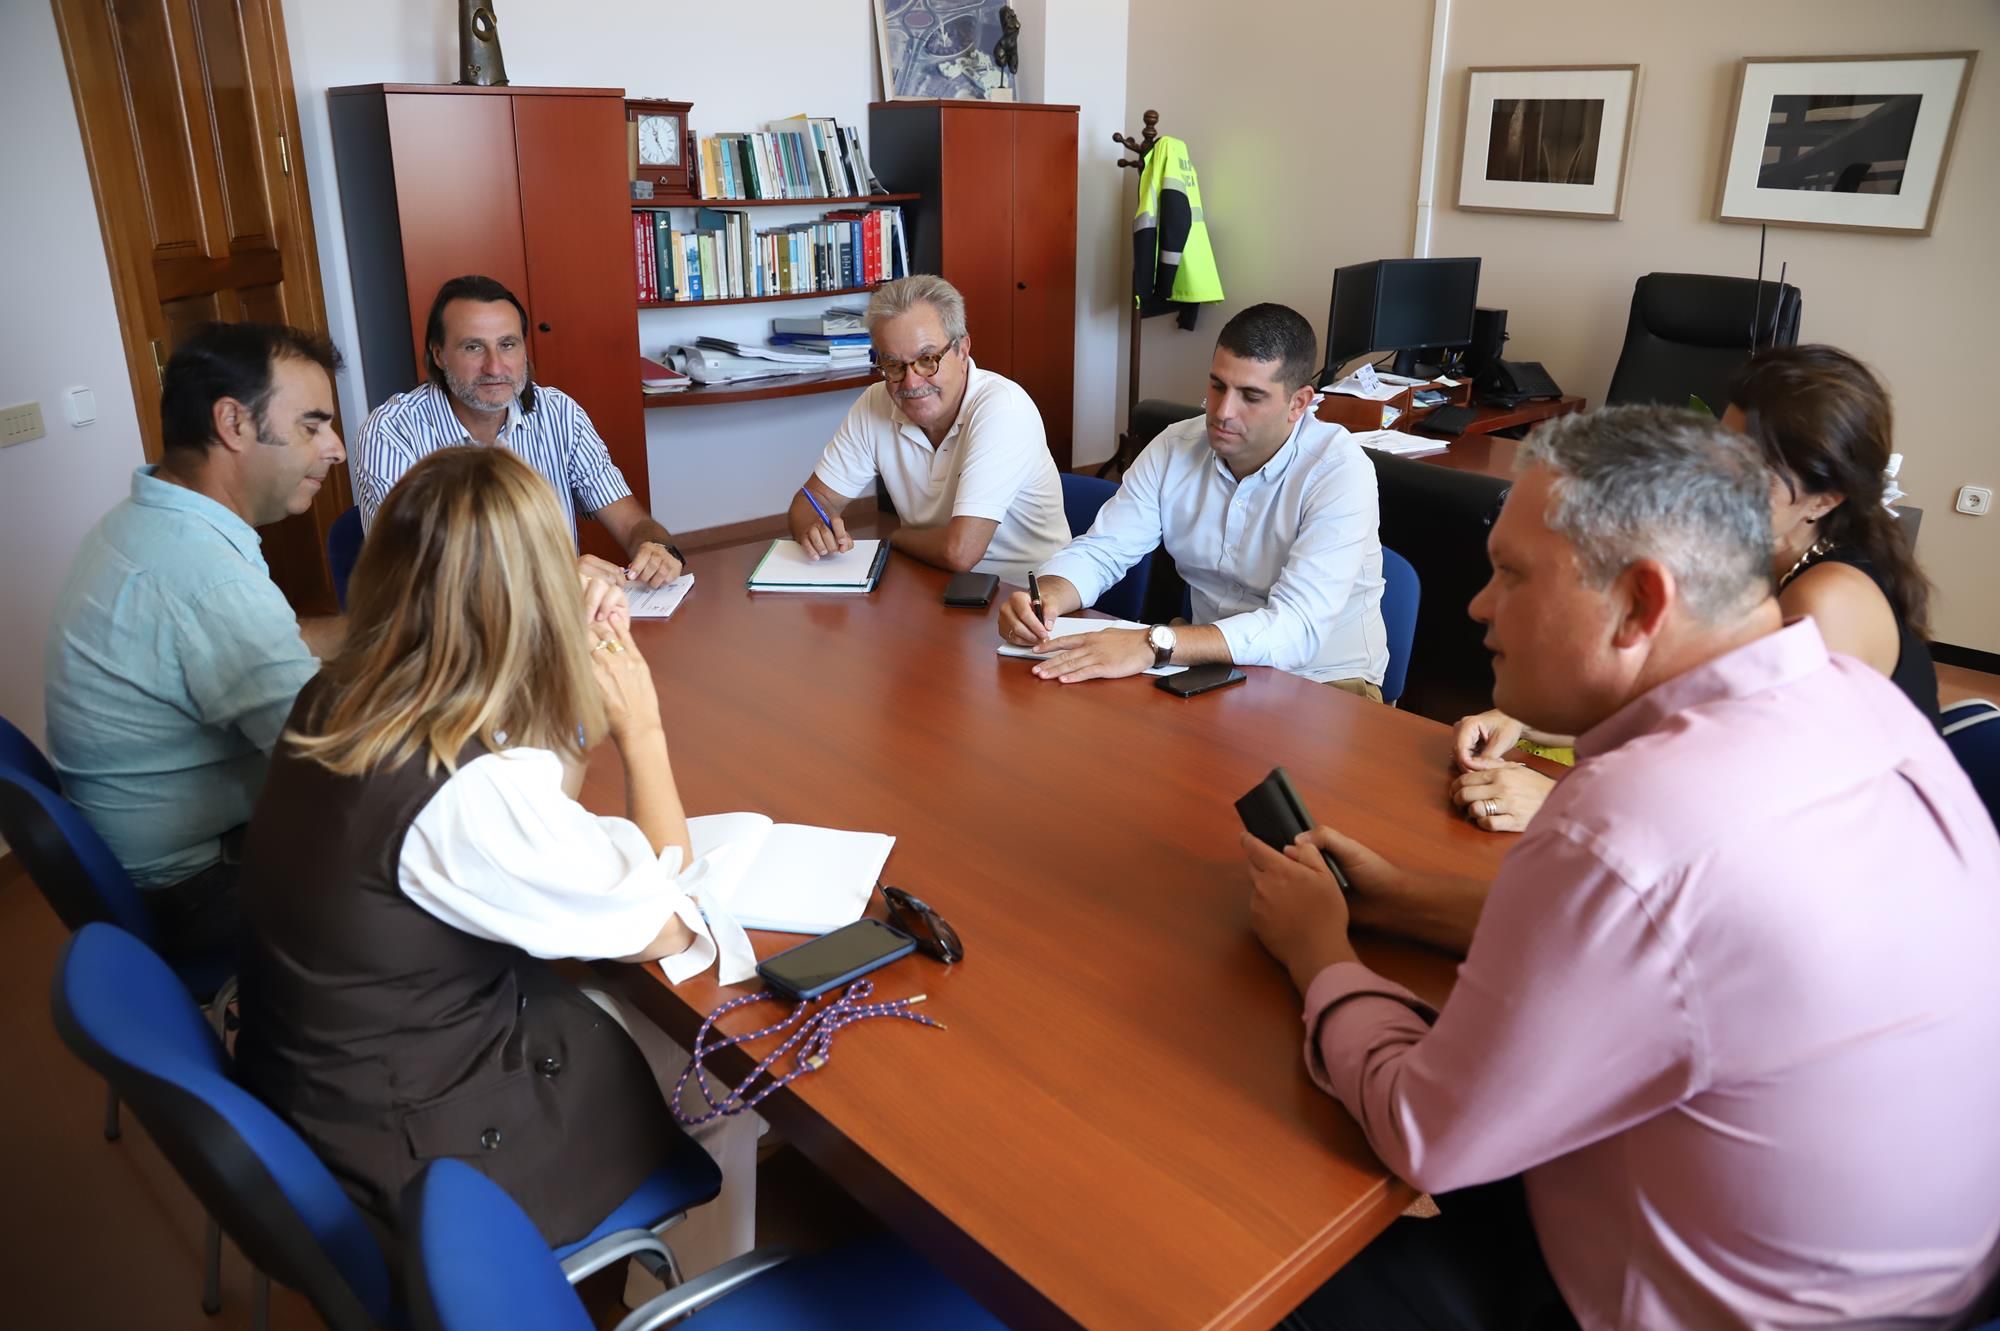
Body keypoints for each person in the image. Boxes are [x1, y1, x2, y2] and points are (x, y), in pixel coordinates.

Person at [1244, 407, 2000, 1330]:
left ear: (1642, 603)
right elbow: (1675, 944)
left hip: (1732, 1309)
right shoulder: (1857, 702)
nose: (1478, 606)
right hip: (1928, 1286)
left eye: (1511, 575)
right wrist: (1394, 900)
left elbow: (1429, 1136)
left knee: (1236, 1236)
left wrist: (1320, 954)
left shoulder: (1632, 820)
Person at [232, 445, 757, 1263]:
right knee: (725, 1060)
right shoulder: (463, 796)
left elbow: (541, 793)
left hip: (320, 1079)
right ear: (531, 595)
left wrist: (567, 689)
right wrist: (642, 730)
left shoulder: (344, 688)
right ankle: (690, 1285)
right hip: (416, 1151)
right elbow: (665, 917)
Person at [1452, 344, 1939, 831]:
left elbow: (1759, 800)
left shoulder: (1827, 600)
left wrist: (1558, 798)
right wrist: (1528, 722)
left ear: (1825, 499)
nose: (1721, 486)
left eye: (1756, 477)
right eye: (1720, 457)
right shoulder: (1744, 555)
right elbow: (1687, 706)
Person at [43, 321, 346, 955]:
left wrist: (383, 630)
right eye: (312, 426)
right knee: (431, 884)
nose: (336, 448)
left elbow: (271, 640)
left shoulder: (147, 523)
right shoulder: (204, 578)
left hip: (141, 859)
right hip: (198, 887)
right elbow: (340, 769)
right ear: (233, 423)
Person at [997, 303, 1387, 694]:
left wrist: (1153, 644)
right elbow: (1104, 550)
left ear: (1298, 404)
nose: (1222, 412)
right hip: (1205, 665)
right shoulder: (1175, 447)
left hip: (1324, 682)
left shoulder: (1338, 471)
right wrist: (1047, 596)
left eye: (1251, 396)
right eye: (1217, 386)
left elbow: (1296, 629)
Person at [353, 274, 686, 588]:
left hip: (560, 627)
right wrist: (553, 580)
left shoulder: (559, 414)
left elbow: (630, 521)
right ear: (438, 354)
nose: (495, 367)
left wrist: (653, 548)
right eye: (473, 347)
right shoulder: (392, 432)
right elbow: (416, 576)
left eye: (508, 344)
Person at [786, 274, 1067, 582]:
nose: (911, 382)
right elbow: (810, 502)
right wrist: (814, 527)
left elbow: (960, 552)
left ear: (962, 350)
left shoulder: (1003, 408)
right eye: (893, 365)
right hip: (932, 583)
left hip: (1025, 599)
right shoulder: (876, 402)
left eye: (927, 359)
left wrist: (895, 539)